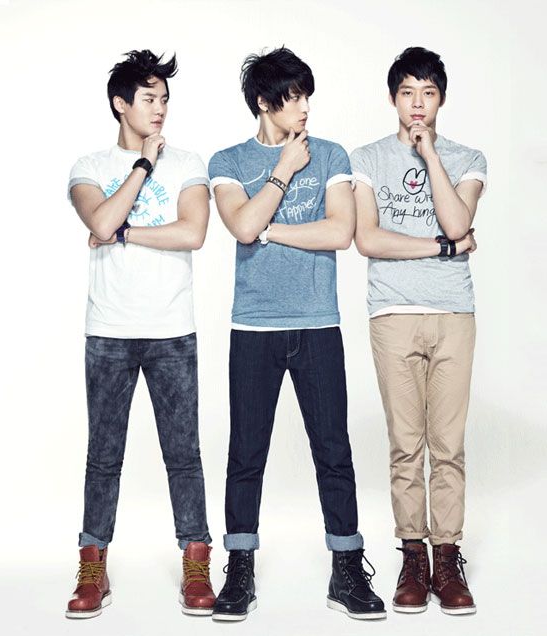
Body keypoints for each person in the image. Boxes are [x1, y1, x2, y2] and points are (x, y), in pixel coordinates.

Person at [208, 46, 385, 622]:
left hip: (317, 324)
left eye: (307, 95)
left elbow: (339, 232)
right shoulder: (228, 160)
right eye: (293, 97)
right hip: (253, 327)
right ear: (264, 102)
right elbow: (240, 224)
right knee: (246, 452)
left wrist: (271, 230)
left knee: (333, 450)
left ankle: (347, 569)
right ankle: (239, 568)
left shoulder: (331, 154)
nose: (305, 106)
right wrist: (283, 170)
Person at [65, 49, 214, 619]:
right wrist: (143, 167)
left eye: (165, 99)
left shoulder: (190, 162)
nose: (160, 108)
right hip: (108, 331)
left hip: (172, 329)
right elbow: (98, 219)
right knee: (103, 457)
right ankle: (92, 566)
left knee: (184, 455)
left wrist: (123, 231)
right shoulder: (88, 166)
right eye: (149, 98)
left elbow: (193, 232)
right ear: (119, 104)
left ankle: (196, 562)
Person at [350, 46, 486, 616]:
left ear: (441, 99)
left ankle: (446, 558)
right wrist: (444, 248)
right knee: (406, 444)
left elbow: (458, 220)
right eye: (407, 93)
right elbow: (369, 240)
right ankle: (412, 556)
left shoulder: (467, 157)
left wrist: (429, 154)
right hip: (393, 314)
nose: (417, 104)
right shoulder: (366, 158)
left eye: (428, 93)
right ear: (392, 98)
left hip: (453, 314)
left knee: (447, 446)